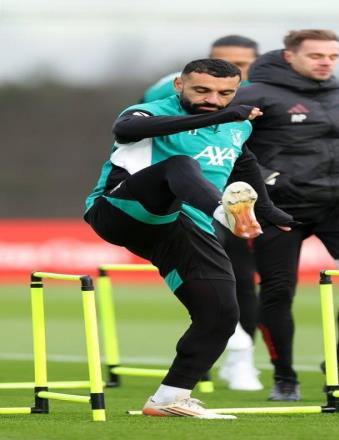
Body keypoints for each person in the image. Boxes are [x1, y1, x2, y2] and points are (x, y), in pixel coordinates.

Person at [84, 59, 295, 418]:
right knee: (180, 164)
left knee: (221, 314)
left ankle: (169, 398)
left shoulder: (236, 126)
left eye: (225, 94)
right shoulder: (150, 112)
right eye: (202, 90)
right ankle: (224, 213)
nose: (213, 100)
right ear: (179, 85)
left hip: (183, 225)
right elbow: (126, 127)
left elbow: (244, 164)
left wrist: (269, 210)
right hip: (121, 211)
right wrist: (222, 118)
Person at [231, 29, 339, 401]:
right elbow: (228, 146)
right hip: (278, 207)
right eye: (316, 55)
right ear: (289, 56)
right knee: (278, 291)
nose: (325, 62)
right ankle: (284, 377)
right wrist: (265, 180)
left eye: (333, 56)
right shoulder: (252, 95)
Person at [141, 35, 263, 391]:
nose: (234, 69)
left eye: (242, 64)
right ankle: (228, 351)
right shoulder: (168, 88)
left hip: (245, 189)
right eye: (226, 60)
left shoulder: (263, 92)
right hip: (186, 190)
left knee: (244, 277)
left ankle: (241, 359)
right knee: (209, 271)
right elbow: (143, 129)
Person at [142, 35, 258, 102]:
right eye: (222, 62)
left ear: (257, 61)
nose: (231, 69)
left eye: (240, 64)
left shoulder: (263, 88)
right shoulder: (172, 85)